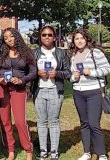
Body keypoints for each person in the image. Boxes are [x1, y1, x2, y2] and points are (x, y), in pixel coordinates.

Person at [0, 27, 37, 160]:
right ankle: (10, 150)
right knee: (5, 121)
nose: (9, 40)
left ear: (16, 36)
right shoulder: (1, 52)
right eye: (5, 38)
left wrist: (22, 80)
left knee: (19, 122)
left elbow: (33, 72)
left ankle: (28, 149)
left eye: (11, 36)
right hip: (3, 90)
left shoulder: (26, 52)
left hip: (18, 90)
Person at [69, 29, 110, 160]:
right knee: (84, 123)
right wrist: (73, 77)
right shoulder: (73, 55)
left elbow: (107, 69)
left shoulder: (95, 53)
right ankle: (87, 152)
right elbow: (71, 76)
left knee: (94, 123)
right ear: (73, 41)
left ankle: (102, 154)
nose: (79, 41)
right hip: (78, 92)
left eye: (82, 38)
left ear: (86, 39)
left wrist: (91, 72)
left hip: (94, 92)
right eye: (76, 39)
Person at [31, 26, 71, 160]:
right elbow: (28, 72)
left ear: (54, 37)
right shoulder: (34, 53)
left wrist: (57, 73)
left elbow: (68, 72)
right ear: (40, 37)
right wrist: (37, 73)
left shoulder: (61, 53)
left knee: (53, 121)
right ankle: (43, 151)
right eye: (44, 35)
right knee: (41, 121)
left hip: (55, 90)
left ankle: (54, 152)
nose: (47, 37)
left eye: (49, 35)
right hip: (39, 91)